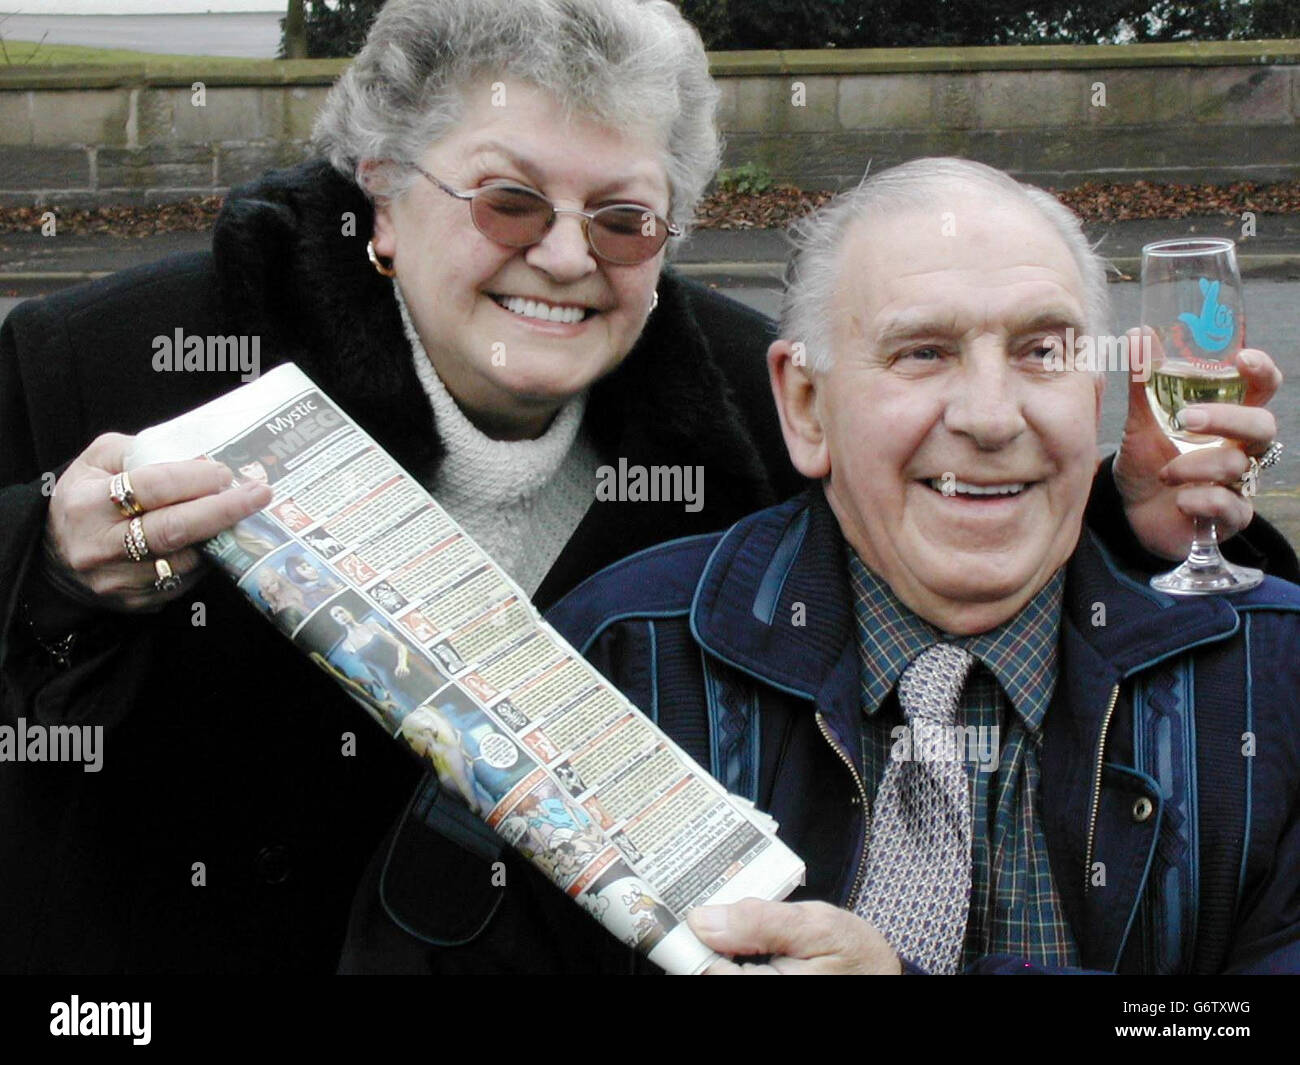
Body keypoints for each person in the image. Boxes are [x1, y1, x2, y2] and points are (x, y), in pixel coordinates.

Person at [0, 0, 1288, 975]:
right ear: (382, 201)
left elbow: (962, 493)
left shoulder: (734, 394)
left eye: (622, 218)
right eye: (510, 201)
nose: (564, 257)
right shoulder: (110, 359)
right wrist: (51, 565)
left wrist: (1127, 515)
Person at [350, 158, 1299, 975]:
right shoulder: (610, 670)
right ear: (804, 405)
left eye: (1041, 350)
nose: (991, 414)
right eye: (922, 351)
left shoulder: (1272, 682)